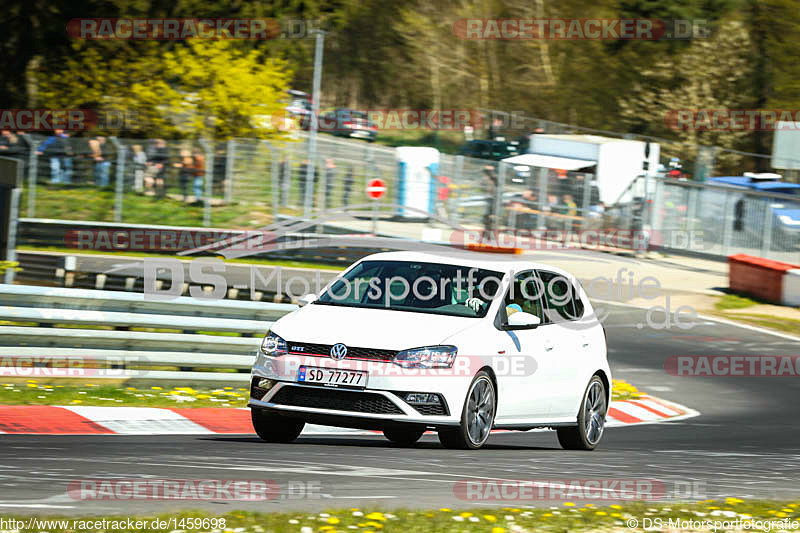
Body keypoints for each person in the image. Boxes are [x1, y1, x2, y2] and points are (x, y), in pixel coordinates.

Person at [481, 165, 498, 238]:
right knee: (487, 217)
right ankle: (486, 233)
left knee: (491, 217)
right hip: (488, 199)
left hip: (494, 199)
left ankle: (489, 233)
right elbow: (483, 188)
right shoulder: (485, 179)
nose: (489, 173)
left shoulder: (495, 178)